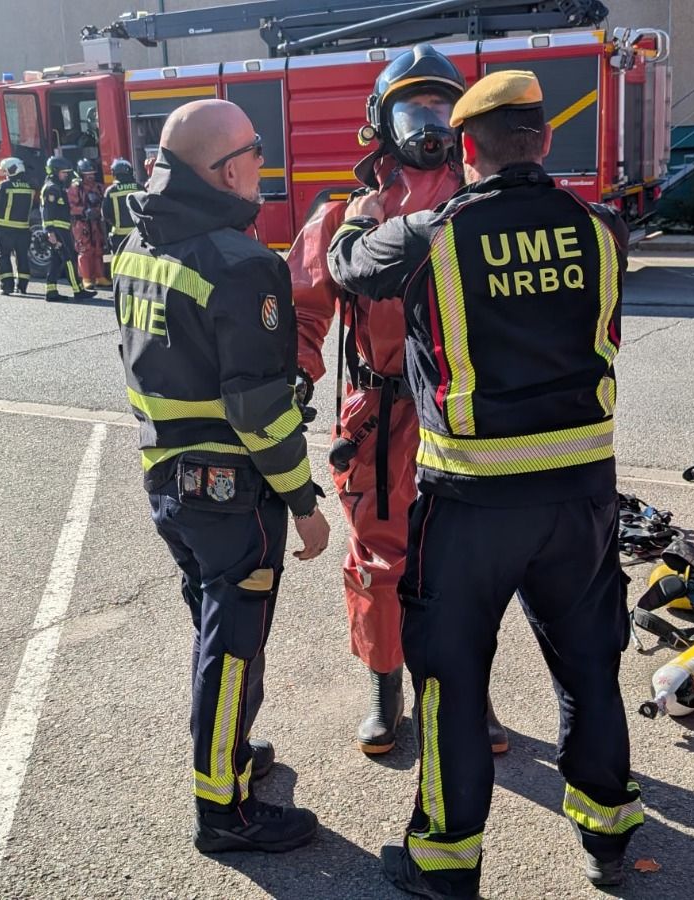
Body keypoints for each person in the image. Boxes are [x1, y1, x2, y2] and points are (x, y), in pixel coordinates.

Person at [327, 70, 640, 896]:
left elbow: (347, 266)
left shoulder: (431, 234)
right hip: (581, 502)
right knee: (589, 667)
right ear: (544, 140)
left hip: (471, 505)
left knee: (451, 680)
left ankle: (444, 861)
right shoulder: (603, 228)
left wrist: (359, 215)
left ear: (465, 148)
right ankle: (607, 837)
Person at [112, 98, 333, 855]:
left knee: (216, 634)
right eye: (256, 153)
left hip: (167, 482)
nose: (263, 167)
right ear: (227, 170)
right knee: (233, 647)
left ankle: (229, 754)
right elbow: (260, 411)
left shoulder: (137, 246)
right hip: (232, 495)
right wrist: (303, 502)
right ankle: (223, 811)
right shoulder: (242, 265)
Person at [288, 45, 506, 757]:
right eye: (415, 111)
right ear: (383, 123)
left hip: (465, 412)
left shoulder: (484, 203)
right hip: (380, 419)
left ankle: (467, 691)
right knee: (380, 560)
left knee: (468, 563)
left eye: (443, 110)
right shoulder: (346, 216)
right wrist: (294, 379)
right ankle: (385, 689)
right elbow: (303, 311)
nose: (430, 127)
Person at [39, 156, 93, 301]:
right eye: (63, 172)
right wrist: (50, 232)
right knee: (69, 259)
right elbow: (47, 212)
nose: (66, 175)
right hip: (57, 231)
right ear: (55, 171)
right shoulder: (51, 188)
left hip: (61, 229)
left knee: (56, 261)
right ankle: (78, 290)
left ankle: (51, 292)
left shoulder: (57, 187)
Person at [0, 156, 33, 295]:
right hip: (23, 230)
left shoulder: (4, 186)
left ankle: (7, 286)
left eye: (6, 171)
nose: (5, 174)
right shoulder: (30, 186)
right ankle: (22, 287)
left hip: (5, 230)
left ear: (12, 170)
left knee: (3, 256)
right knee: (22, 258)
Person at [70, 158, 110, 288]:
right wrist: (84, 211)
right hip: (82, 223)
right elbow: (71, 206)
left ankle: (100, 277)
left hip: (97, 222)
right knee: (85, 250)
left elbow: (105, 201)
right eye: (87, 174)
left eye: (92, 174)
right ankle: (86, 278)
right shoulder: (75, 188)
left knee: (98, 249)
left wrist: (99, 211)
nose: (90, 176)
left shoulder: (98, 187)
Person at [103, 158, 140, 262]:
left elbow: (105, 214)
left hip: (119, 237)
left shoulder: (110, 191)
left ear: (114, 173)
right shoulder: (139, 188)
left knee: (120, 264)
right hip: (138, 235)